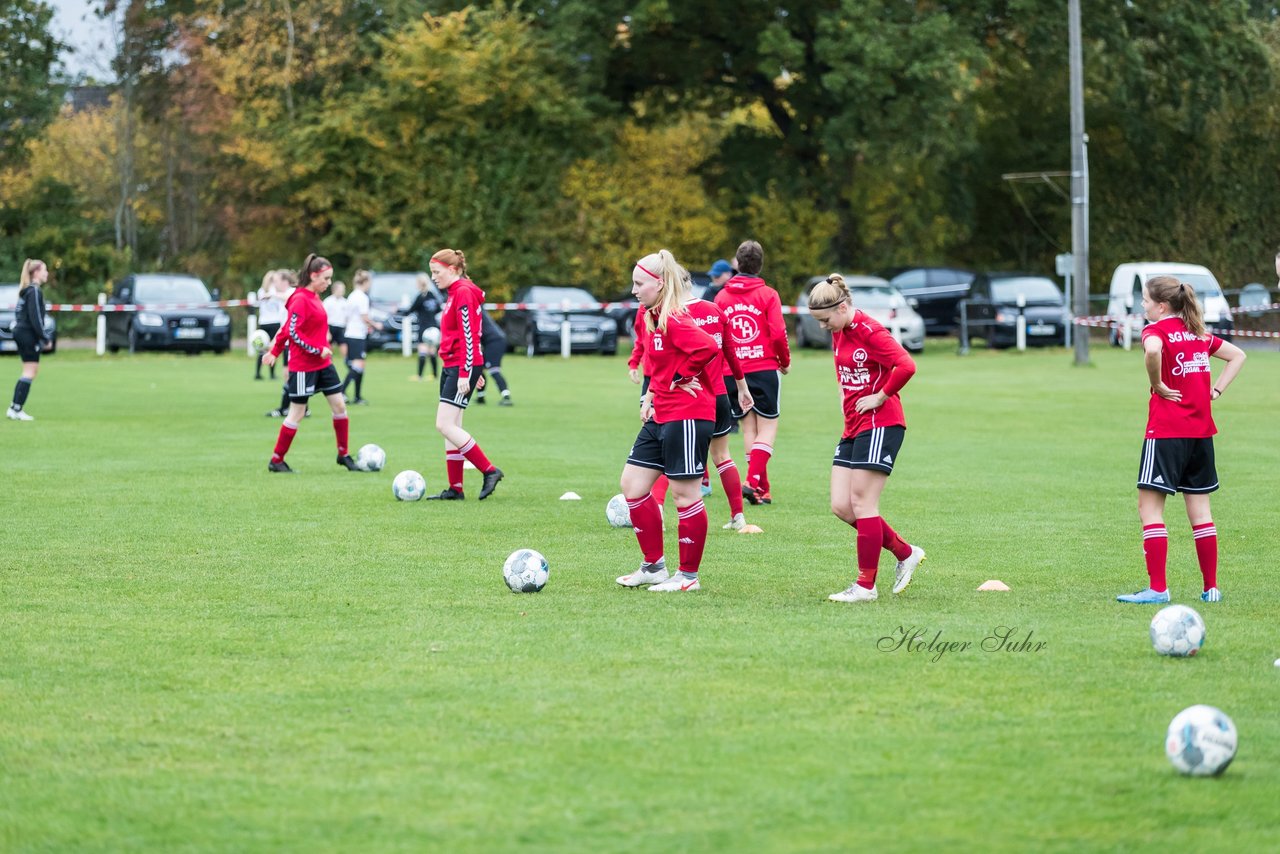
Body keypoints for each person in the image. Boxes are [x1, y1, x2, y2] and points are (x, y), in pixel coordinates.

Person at [1117, 275, 1246, 604]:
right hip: (1202, 434)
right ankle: (1211, 588)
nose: (1142, 305)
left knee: (1149, 509)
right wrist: (1216, 390)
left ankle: (1158, 589)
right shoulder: (1197, 332)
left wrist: (1157, 383)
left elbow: (1152, 351)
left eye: (1145, 301)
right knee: (1201, 513)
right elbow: (1238, 356)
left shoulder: (1156, 331)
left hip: (1166, 433)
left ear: (1161, 306)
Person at [805, 274, 925, 603]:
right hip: (853, 426)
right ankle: (905, 552)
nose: (823, 327)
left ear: (843, 308)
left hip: (881, 423)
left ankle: (865, 586)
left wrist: (881, 396)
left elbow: (906, 364)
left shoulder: (869, 330)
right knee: (842, 506)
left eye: (826, 320)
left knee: (863, 503)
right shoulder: (839, 330)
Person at [615, 250, 720, 592]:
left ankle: (688, 577)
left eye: (639, 283)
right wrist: (651, 396)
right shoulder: (652, 317)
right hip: (661, 414)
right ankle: (654, 567)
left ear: (659, 284)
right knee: (632, 484)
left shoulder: (674, 318)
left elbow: (706, 348)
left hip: (688, 415)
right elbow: (657, 364)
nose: (634, 290)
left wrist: (682, 377)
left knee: (685, 495)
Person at [628, 276, 755, 529]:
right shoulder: (713, 309)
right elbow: (729, 352)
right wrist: (742, 388)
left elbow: (661, 363)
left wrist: (651, 395)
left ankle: (661, 512)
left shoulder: (670, 315)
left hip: (689, 397)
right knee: (722, 456)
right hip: (719, 393)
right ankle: (738, 516)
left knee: (670, 461)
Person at [261, 254, 360, 473]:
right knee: (297, 412)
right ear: (314, 276)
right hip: (304, 365)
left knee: (340, 406)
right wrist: (315, 349)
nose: (329, 282)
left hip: (323, 364)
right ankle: (276, 460)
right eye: (326, 278)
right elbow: (292, 331)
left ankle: (343, 455)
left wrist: (276, 351)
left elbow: (291, 328)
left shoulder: (314, 296)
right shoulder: (300, 299)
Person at [714, 240, 791, 505]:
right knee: (768, 428)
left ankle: (761, 488)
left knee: (749, 429)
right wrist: (784, 360)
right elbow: (778, 332)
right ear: (761, 264)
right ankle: (753, 480)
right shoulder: (768, 294)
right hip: (763, 366)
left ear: (737, 263)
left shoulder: (721, 296)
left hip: (732, 371)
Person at [425, 248, 504, 500]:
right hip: (455, 364)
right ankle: (455, 488)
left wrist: (467, 371)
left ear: (453, 269)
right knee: (452, 426)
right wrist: (472, 369)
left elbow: (470, 335)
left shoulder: (463, 292)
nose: (434, 278)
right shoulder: (454, 293)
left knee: (444, 424)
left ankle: (489, 470)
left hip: (461, 365)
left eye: (437, 272)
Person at [7, 259, 51, 421]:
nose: (47, 273)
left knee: (29, 370)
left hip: (21, 332)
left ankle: (15, 407)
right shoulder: (34, 291)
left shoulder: (27, 291)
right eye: (45, 270)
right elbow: (36, 318)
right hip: (27, 334)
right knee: (30, 371)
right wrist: (44, 337)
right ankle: (16, 409)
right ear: (36, 273)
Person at [340, 270, 380, 405]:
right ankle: (341, 391)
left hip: (351, 333)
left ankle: (357, 397)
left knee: (359, 366)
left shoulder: (351, 296)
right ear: (366, 282)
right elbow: (364, 317)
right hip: (357, 335)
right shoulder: (362, 297)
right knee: (358, 365)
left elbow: (346, 317)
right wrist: (375, 325)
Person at [254, 270, 288, 380]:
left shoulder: (264, 291)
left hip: (266, 322)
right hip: (271, 322)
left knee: (267, 348)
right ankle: (266, 373)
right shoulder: (264, 291)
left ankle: (262, 373)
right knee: (269, 348)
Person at [408, 272, 442, 382]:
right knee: (432, 351)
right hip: (433, 326)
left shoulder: (420, 297)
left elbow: (411, 310)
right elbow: (438, 309)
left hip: (423, 326)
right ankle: (435, 375)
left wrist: (398, 312)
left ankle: (419, 376)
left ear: (418, 283)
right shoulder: (432, 295)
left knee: (422, 351)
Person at [474, 309, 512, 406]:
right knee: (479, 369)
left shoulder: (474, 310)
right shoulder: (476, 309)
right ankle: (481, 397)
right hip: (490, 342)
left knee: (493, 370)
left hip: (495, 341)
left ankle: (506, 397)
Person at [322, 279, 350, 359]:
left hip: (341, 327)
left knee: (344, 347)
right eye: (341, 289)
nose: (342, 291)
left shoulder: (345, 302)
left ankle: (348, 363)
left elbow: (347, 317)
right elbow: (324, 317)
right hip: (330, 327)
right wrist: (327, 331)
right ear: (335, 290)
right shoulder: (328, 301)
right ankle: (328, 363)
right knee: (328, 348)